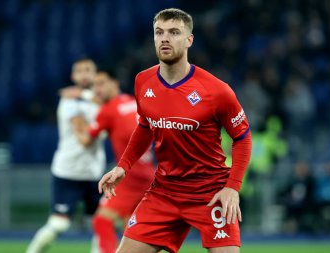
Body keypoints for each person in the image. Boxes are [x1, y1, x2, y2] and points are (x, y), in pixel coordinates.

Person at [99, 8, 252, 253]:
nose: (165, 38)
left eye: (174, 32)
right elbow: (145, 126)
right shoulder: (143, 81)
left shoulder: (216, 91)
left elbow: (243, 138)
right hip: (164, 193)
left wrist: (232, 187)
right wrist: (123, 165)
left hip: (210, 193)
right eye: (159, 32)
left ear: (189, 40)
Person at [60, 70, 155, 253]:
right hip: (148, 173)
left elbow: (86, 140)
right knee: (132, 228)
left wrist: (75, 119)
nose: (98, 89)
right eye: (95, 85)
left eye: (102, 83)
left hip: (130, 176)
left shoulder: (108, 110)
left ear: (115, 83)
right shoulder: (132, 101)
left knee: (101, 221)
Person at [26, 58, 106, 253]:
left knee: (102, 224)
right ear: (73, 76)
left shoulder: (99, 101)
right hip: (69, 171)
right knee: (59, 224)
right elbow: (85, 138)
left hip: (95, 173)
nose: (85, 74)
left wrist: (88, 96)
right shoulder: (69, 101)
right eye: (80, 71)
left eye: (88, 70)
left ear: (96, 75)